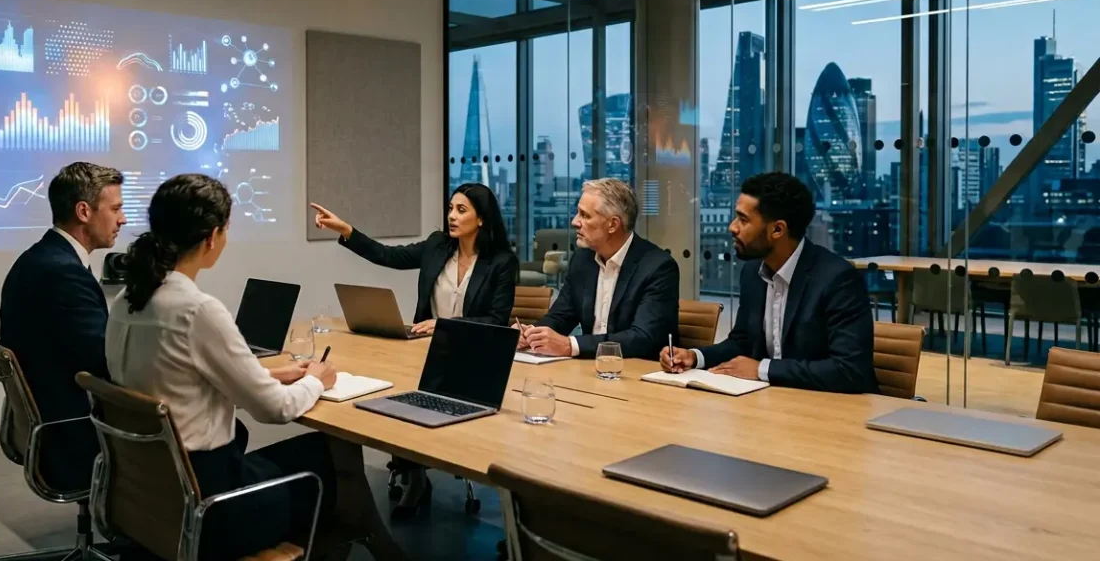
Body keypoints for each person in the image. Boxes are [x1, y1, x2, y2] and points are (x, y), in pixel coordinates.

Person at [108, 174, 402, 561]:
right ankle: (378, 546)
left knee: (321, 455)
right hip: (216, 506)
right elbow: (274, 410)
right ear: (212, 237)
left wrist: (269, 374)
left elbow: (179, 381)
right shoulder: (198, 310)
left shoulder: (128, 301)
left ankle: (378, 545)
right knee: (331, 461)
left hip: (154, 495)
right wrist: (315, 380)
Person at [310, 182, 518, 519]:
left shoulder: (502, 262)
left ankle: (434, 467)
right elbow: (389, 256)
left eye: (461, 210)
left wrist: (447, 325)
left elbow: (496, 321)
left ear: (481, 219)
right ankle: (415, 478)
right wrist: (346, 230)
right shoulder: (437, 246)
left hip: (473, 355)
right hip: (425, 349)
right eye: (451, 208)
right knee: (400, 392)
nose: (452, 216)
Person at [661, 172, 878, 394]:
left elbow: (850, 370)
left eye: (743, 219)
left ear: (777, 230)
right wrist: (695, 357)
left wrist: (762, 369)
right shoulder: (753, 272)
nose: (732, 227)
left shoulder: (837, 279)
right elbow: (742, 342)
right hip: (770, 403)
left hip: (830, 412)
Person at [0, 161, 125, 491]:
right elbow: (104, 363)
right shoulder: (63, 274)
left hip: (46, 424)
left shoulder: (39, 259)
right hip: (71, 437)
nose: (122, 219)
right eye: (116, 209)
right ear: (84, 211)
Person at [519, 178, 679, 360]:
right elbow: (561, 317)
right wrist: (531, 334)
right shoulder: (582, 259)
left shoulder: (658, 267)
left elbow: (642, 338)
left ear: (613, 224)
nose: (575, 222)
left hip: (637, 374)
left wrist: (570, 345)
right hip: (588, 370)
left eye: (584, 215)